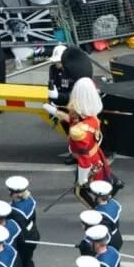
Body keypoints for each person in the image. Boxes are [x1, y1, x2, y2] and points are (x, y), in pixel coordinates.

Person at [42, 77, 115, 207]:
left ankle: (97, 212)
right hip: (96, 156)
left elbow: (84, 159)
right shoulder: (91, 117)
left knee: (81, 191)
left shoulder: (78, 131)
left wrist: (82, 179)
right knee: (100, 184)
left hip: (88, 163)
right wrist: (55, 111)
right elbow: (72, 119)